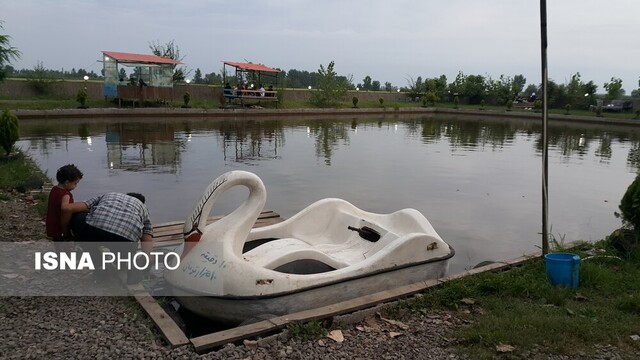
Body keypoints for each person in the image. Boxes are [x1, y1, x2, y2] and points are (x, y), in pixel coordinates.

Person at [70, 192, 154, 283]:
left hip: (94, 230)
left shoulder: (110, 195)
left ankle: (99, 266)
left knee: (78, 216)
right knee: (125, 250)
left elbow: (69, 208)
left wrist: (67, 235)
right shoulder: (144, 209)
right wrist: (147, 258)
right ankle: (128, 267)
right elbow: (146, 236)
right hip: (124, 239)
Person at [45, 164, 83, 251]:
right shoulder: (65, 195)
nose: (75, 186)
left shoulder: (54, 189)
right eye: (75, 183)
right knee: (65, 246)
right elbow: (65, 208)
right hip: (60, 226)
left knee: (57, 245)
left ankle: (60, 258)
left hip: (52, 224)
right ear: (67, 183)